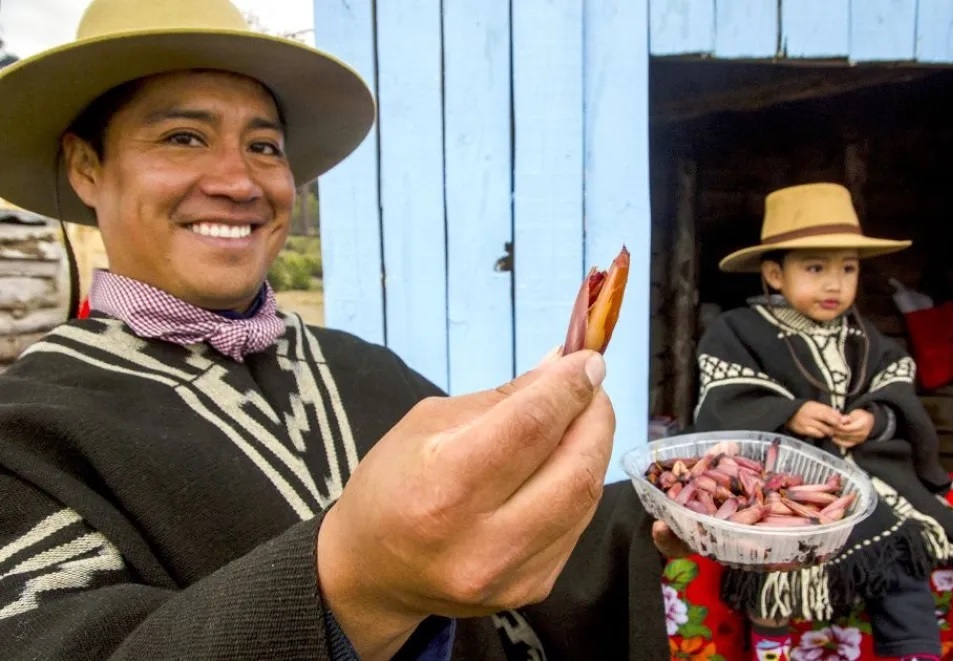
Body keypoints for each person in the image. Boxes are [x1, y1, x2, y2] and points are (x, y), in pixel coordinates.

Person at [0, 0, 692, 659]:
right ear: (86, 166)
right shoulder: (27, 433)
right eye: (183, 137)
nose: (240, 182)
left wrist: (666, 513)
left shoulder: (365, 369)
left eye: (265, 146)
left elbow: (516, 549)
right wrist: (357, 583)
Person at [690, 182, 953, 661]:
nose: (835, 284)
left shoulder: (864, 336)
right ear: (774, 273)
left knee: (899, 551)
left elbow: (897, 391)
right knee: (773, 571)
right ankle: (773, 649)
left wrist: (873, 422)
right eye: (815, 268)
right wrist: (788, 413)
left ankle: (914, 653)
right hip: (781, 487)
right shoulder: (736, 332)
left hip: (864, 478)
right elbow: (723, 400)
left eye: (847, 268)